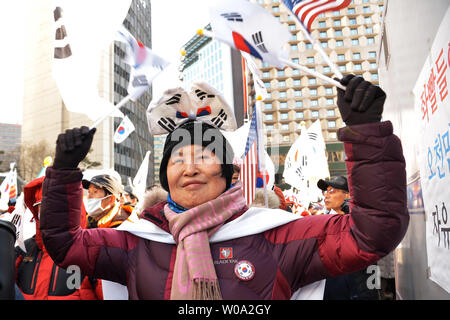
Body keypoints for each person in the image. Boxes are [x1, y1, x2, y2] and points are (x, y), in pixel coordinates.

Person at [40, 74, 409, 300]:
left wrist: (365, 134)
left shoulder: (275, 236)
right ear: (165, 175)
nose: (189, 167)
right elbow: (66, 243)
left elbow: (369, 235)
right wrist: (64, 171)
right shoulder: (138, 243)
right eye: (177, 158)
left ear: (232, 174)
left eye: (204, 155)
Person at [15, 176, 102, 300]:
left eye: (57, 206)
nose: (49, 211)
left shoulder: (92, 254)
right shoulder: (22, 251)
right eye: (42, 205)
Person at [317, 175, 380, 300]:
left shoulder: (360, 220)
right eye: (326, 191)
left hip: (360, 288)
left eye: (332, 191)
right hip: (332, 288)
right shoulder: (323, 222)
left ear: (347, 195)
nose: (326, 195)